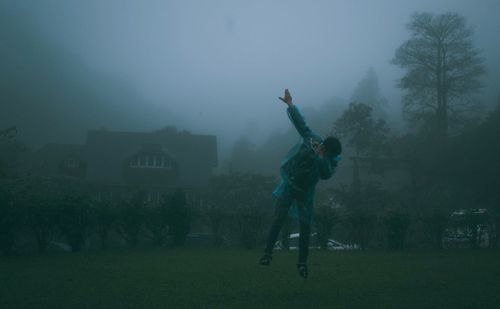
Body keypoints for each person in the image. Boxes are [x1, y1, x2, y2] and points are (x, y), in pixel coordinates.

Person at [259, 89, 342, 278]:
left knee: (305, 226)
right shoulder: (313, 140)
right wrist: (290, 104)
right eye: (322, 148)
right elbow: (301, 124)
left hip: (305, 193)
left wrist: (322, 159)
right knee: (278, 218)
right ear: (322, 143)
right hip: (290, 184)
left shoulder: (329, 161)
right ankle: (267, 253)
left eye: (325, 152)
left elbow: (326, 175)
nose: (321, 150)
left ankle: (302, 264)